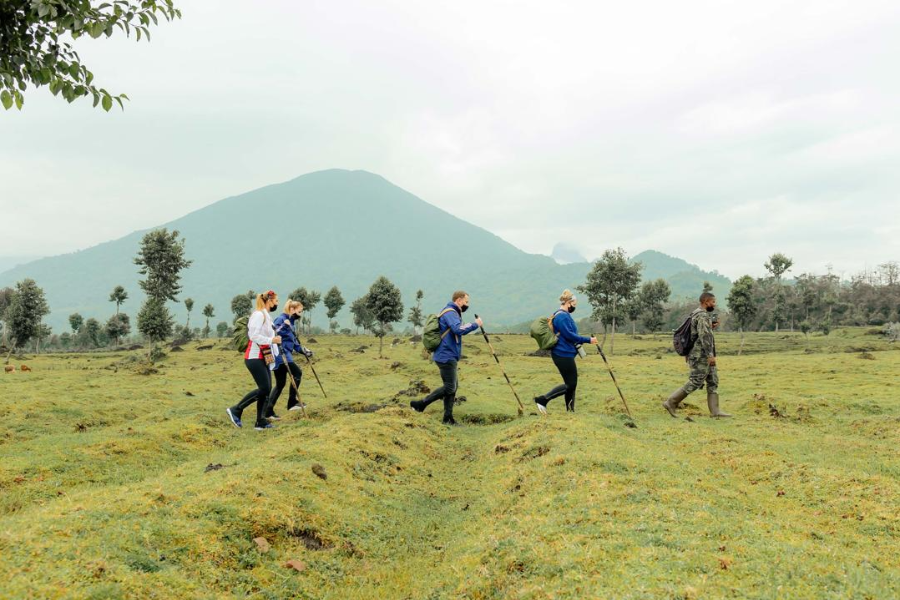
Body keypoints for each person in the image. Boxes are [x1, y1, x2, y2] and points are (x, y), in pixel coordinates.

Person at [410, 291, 483, 425]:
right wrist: (475, 324)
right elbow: (458, 329)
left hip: (448, 354)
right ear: (459, 300)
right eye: (466, 302)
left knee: (453, 386)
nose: (467, 305)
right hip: (445, 355)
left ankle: (447, 418)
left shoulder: (453, 312)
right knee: (450, 387)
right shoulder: (450, 312)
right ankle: (421, 404)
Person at [663, 291, 731, 418]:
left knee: (713, 380)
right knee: (695, 381)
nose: (714, 304)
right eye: (713, 302)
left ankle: (715, 411)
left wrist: (711, 326)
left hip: (702, 353)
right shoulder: (702, 315)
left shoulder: (697, 314)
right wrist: (710, 355)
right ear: (706, 301)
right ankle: (671, 402)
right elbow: (704, 336)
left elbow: (697, 333)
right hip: (701, 355)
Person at [534, 290, 598, 414]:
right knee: (571, 385)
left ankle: (570, 411)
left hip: (565, 354)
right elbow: (569, 335)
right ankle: (542, 400)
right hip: (562, 354)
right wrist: (588, 340)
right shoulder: (562, 316)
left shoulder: (562, 314)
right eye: (574, 304)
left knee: (570, 384)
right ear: (568, 303)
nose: (575, 306)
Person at [226, 290, 282, 430]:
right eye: (276, 301)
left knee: (266, 390)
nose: (277, 303)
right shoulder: (258, 314)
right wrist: (272, 339)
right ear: (269, 301)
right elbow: (254, 336)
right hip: (254, 357)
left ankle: (260, 421)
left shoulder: (266, 316)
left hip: (265, 356)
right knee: (264, 388)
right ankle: (236, 410)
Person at [267, 299, 312, 419]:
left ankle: (268, 411)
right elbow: (273, 333)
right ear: (292, 310)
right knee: (297, 373)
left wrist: (303, 351)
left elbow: (294, 343)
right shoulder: (281, 319)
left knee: (280, 384)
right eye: (299, 311)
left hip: (286, 354)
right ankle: (292, 402)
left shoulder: (291, 323)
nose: (300, 314)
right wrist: (284, 326)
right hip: (280, 355)